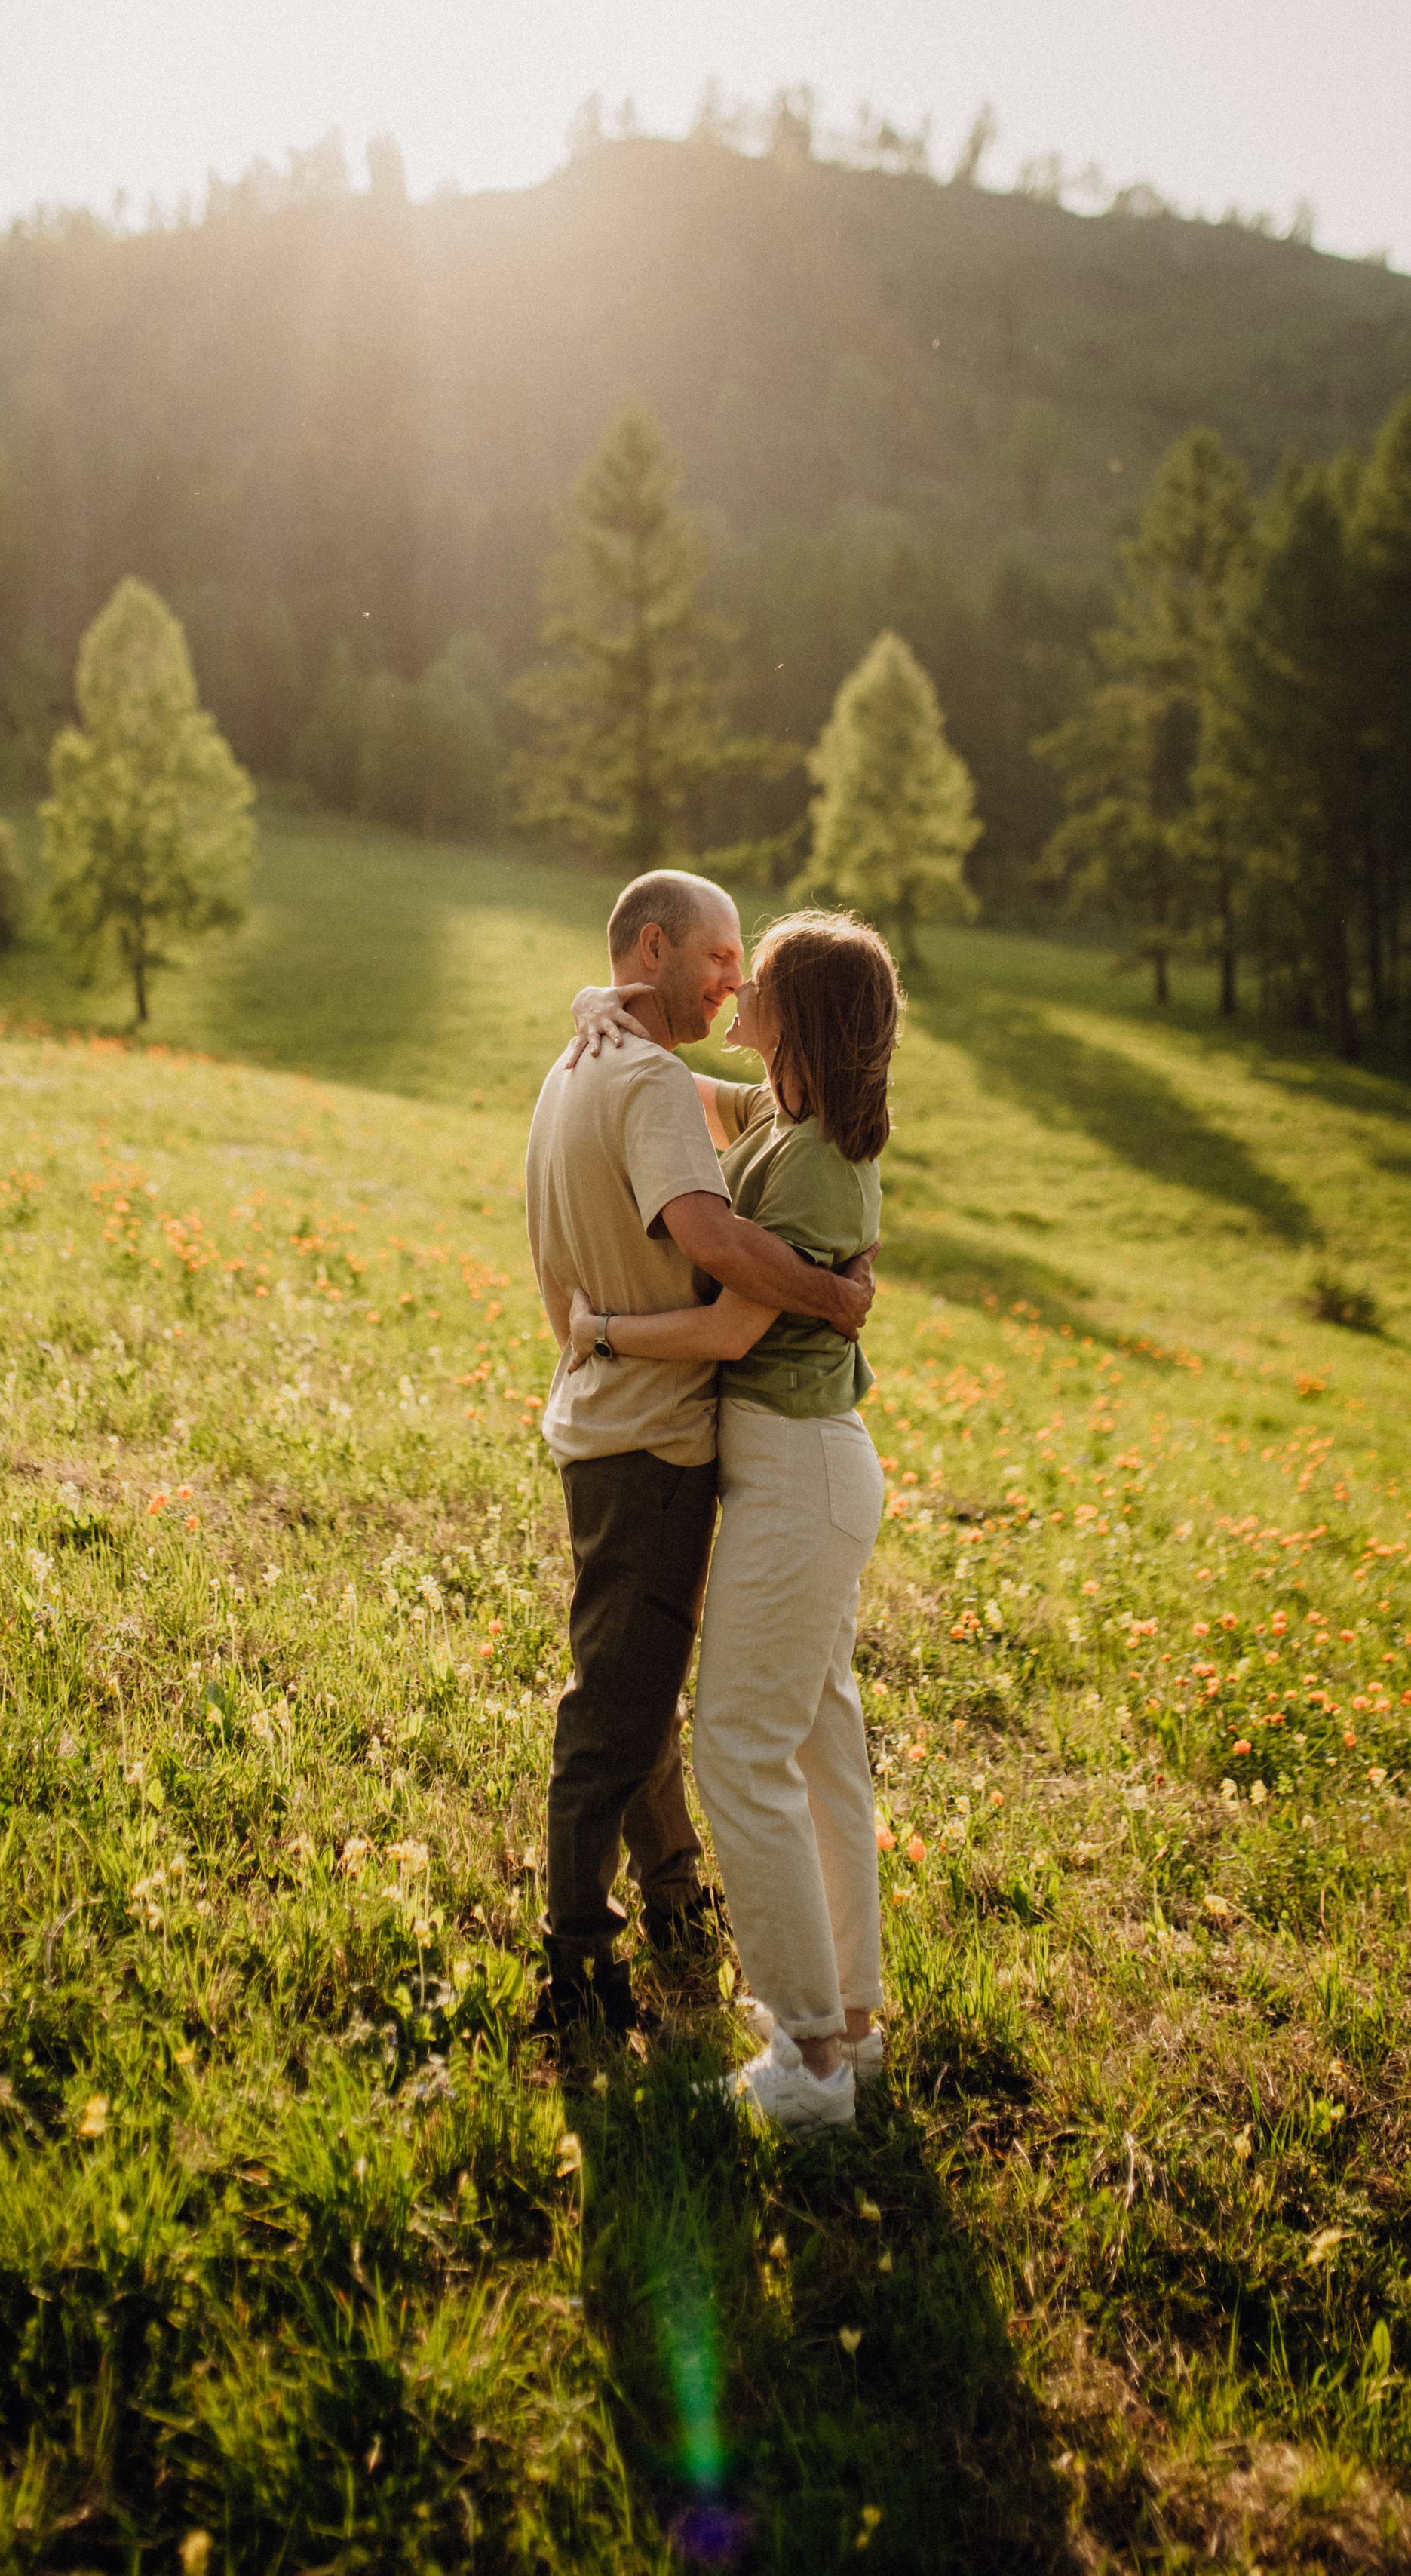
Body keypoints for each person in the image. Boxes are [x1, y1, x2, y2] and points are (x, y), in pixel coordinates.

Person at [523, 870, 877, 2047]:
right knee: (632, 1710)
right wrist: (834, 1294)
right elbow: (715, 1242)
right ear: (658, 948)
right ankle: (585, 1960)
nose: (734, 981)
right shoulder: (659, 1080)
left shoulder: (575, 1070)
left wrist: (607, 1002)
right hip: (655, 1434)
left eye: (753, 969)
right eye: (723, 957)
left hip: (640, 1430)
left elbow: (708, 1237)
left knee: (660, 1698)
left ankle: (702, 1920)